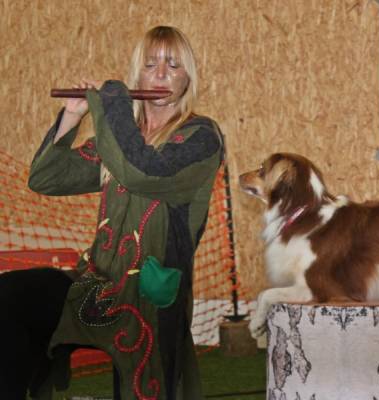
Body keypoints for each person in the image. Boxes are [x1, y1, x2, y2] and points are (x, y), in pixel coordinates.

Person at [2, 25, 224, 399]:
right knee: (10, 297)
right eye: (150, 64)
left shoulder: (201, 137)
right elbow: (46, 178)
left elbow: (142, 171)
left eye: (173, 65)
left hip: (149, 293)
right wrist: (72, 116)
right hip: (95, 285)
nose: (160, 74)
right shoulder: (122, 137)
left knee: (143, 384)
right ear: (138, 74)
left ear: (188, 77)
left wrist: (114, 105)